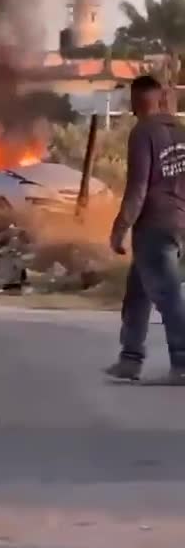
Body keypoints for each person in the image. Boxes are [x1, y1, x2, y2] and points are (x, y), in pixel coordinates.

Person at [106, 75, 185, 384]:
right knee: (137, 294)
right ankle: (130, 359)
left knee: (167, 296)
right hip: (180, 223)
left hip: (154, 227)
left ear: (136, 101)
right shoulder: (180, 131)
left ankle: (182, 361)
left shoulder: (143, 132)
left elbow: (137, 187)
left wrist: (119, 227)